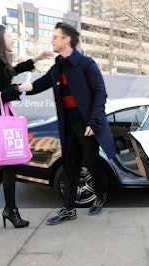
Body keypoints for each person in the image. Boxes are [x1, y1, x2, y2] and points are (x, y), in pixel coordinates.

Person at [29, 22, 116, 225]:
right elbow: (35, 86)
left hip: (86, 124)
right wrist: (14, 90)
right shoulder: (56, 68)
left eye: (55, 36)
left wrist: (94, 123)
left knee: (92, 163)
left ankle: (100, 196)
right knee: (69, 166)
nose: (52, 40)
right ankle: (69, 209)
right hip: (67, 125)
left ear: (66, 39)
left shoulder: (86, 63)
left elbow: (100, 93)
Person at [0, 24, 53, 228]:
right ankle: (10, 211)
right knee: (9, 166)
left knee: (6, 165)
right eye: (8, 35)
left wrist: (36, 58)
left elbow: (9, 73)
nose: (12, 38)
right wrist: (18, 89)